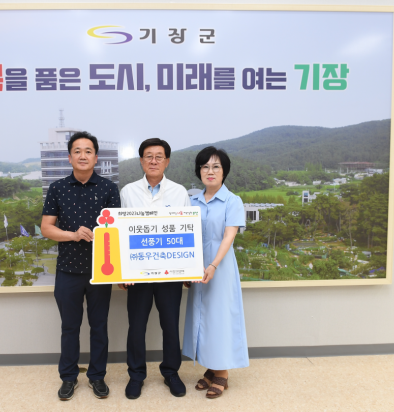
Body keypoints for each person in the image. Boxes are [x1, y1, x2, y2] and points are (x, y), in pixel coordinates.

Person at [41, 131, 121, 401]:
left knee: (99, 327)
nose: (83, 155)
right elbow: (46, 228)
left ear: (96, 158)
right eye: (77, 151)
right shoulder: (57, 188)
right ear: (69, 157)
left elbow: (116, 229)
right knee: (69, 327)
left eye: (88, 151)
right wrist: (73, 235)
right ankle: (68, 377)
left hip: (101, 270)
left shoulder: (109, 188)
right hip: (68, 270)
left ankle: (97, 376)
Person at [118, 138, 192, 400]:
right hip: (137, 274)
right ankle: (136, 375)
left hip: (170, 274)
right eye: (148, 156)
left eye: (159, 156)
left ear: (167, 161)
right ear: (141, 161)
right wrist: (121, 273)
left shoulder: (179, 192)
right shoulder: (128, 192)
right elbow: (119, 233)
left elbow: (187, 233)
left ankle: (171, 372)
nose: (153, 161)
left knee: (170, 325)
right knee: (136, 326)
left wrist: (187, 271)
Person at [182, 146, 249, 399]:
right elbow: (185, 237)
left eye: (216, 167)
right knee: (203, 317)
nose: (210, 171)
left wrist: (213, 265)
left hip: (220, 268)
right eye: (205, 167)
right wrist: (187, 269)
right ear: (199, 171)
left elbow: (228, 237)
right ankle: (211, 366)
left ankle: (222, 372)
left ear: (224, 171)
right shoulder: (192, 202)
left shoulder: (233, 201)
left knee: (219, 318)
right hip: (197, 269)